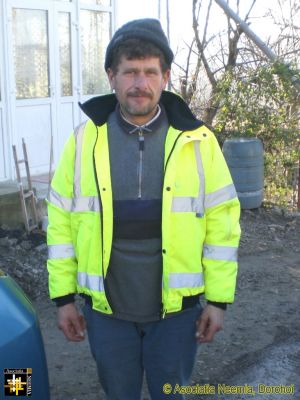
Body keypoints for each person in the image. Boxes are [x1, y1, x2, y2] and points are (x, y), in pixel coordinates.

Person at [47, 18, 240, 400]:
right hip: (107, 313)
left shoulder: (198, 143)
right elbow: (60, 223)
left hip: (176, 315)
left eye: (150, 72)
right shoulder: (84, 141)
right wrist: (64, 299)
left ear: (165, 76)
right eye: (130, 72)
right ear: (111, 77)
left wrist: (217, 301)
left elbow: (223, 226)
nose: (140, 83)